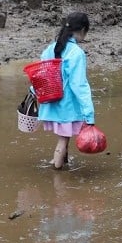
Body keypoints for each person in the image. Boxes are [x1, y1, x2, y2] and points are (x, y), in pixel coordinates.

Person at [38, 12, 95, 169]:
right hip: (67, 106)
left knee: (65, 136)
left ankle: (63, 161)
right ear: (83, 30)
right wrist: (89, 114)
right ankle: (57, 174)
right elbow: (79, 85)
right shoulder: (76, 53)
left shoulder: (51, 49)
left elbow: (40, 74)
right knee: (63, 139)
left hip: (52, 102)